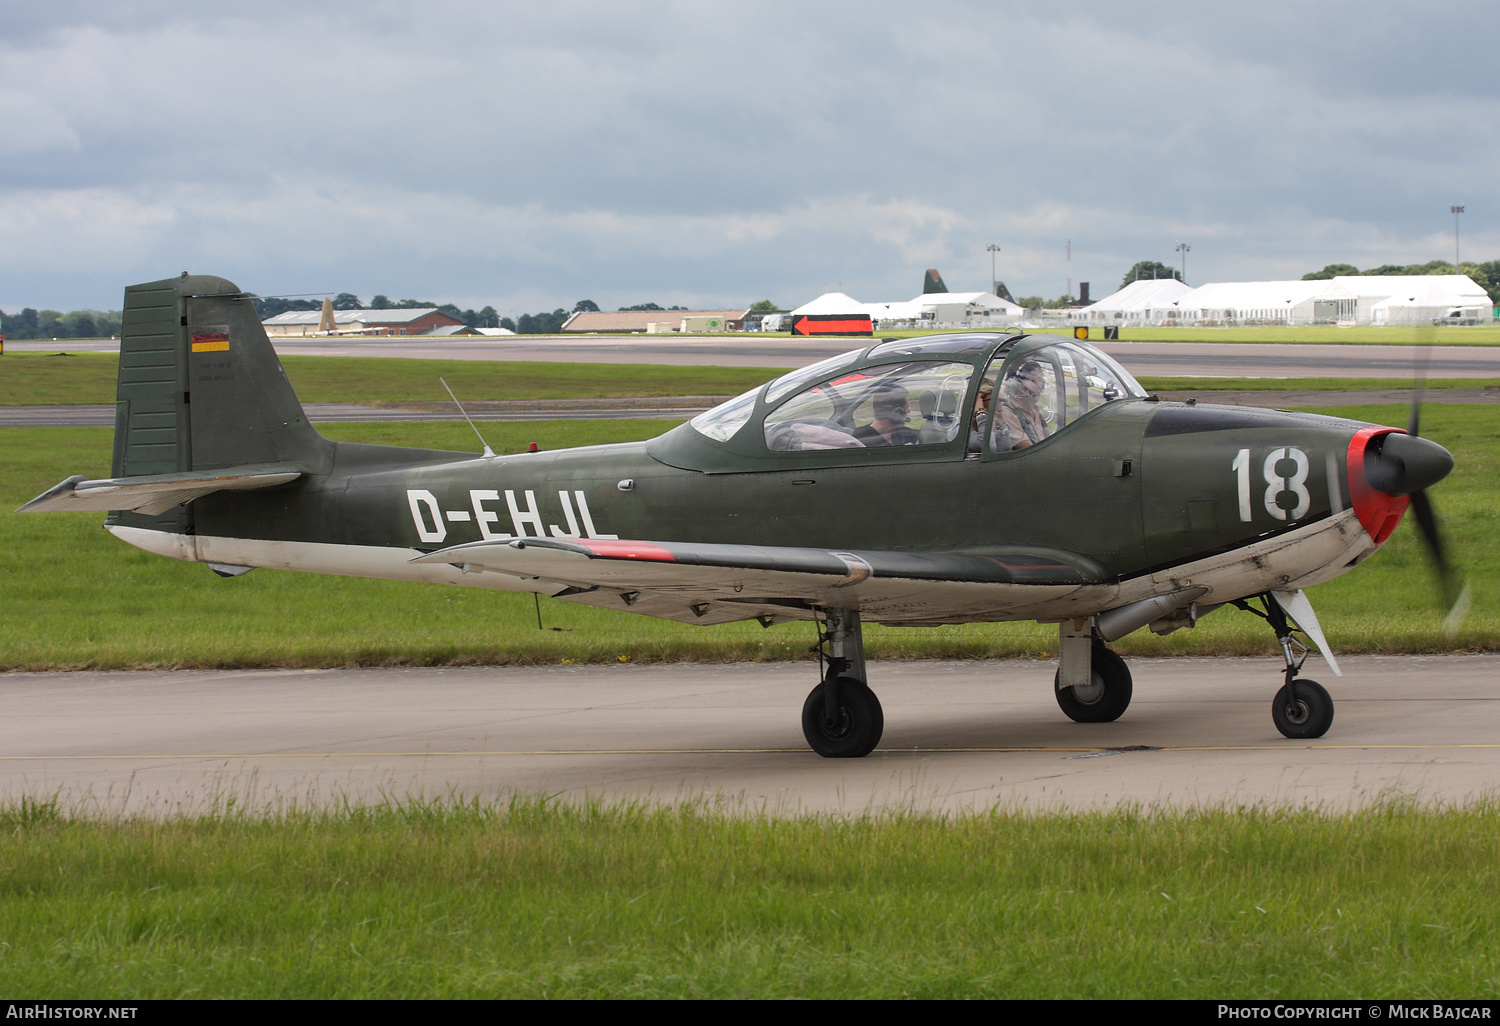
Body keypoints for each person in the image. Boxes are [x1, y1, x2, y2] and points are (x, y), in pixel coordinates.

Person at [997, 361, 1049, 449]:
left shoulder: (1036, 411)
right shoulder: (1006, 413)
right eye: (1032, 380)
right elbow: (1032, 451)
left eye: (1040, 380)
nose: (1039, 386)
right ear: (1014, 385)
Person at [853, 384, 921, 446]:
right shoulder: (862, 438)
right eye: (906, 407)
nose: (909, 411)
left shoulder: (902, 433)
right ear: (897, 412)